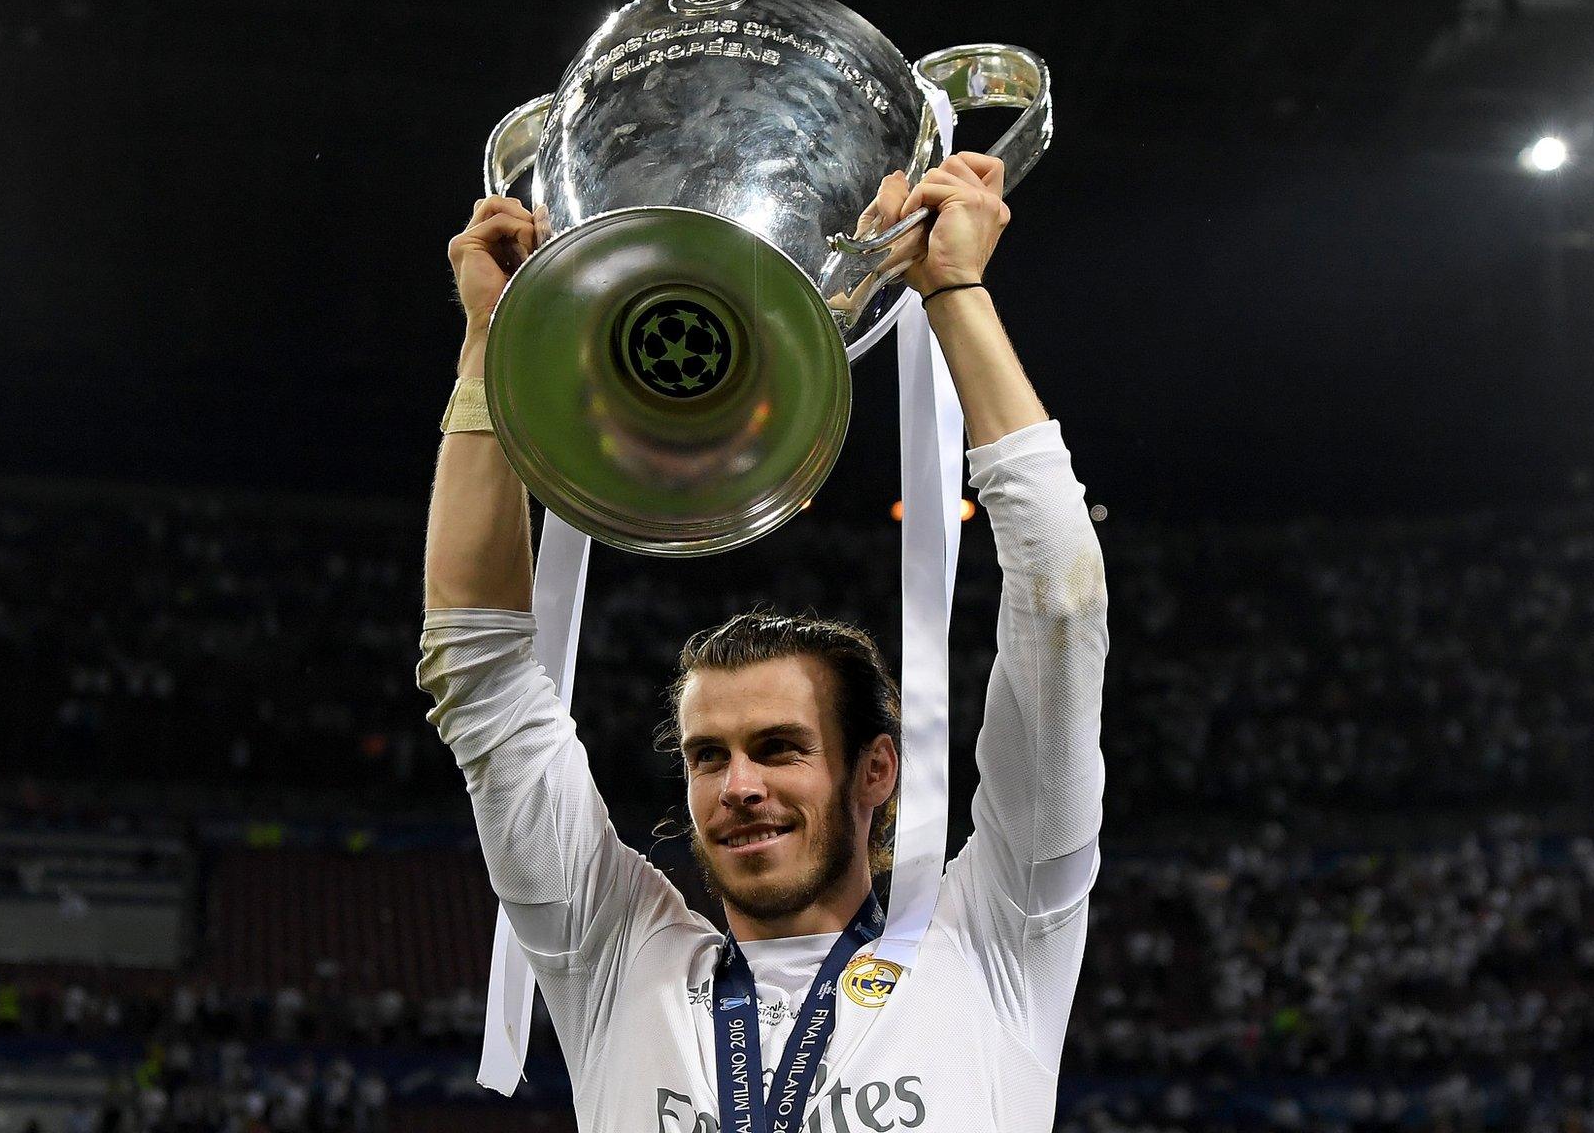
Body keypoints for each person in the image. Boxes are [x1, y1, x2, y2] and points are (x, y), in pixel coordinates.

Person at [419, 150, 1108, 1132]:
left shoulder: (997, 938)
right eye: (709, 756)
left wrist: (951, 291)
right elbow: (478, 668)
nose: (737, 784)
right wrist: (493, 341)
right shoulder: (618, 959)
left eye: (779, 748)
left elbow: (1061, 611)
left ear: (875, 769)